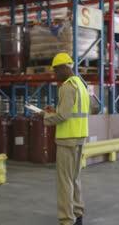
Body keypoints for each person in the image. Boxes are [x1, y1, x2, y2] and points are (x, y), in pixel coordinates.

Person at [41, 53, 90, 225]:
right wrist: (54, 111)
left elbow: (62, 117)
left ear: (64, 67)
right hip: (79, 137)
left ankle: (66, 219)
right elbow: (72, 112)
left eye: (56, 71)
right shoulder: (80, 85)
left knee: (64, 181)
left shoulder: (67, 87)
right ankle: (78, 213)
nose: (56, 75)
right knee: (75, 178)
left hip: (67, 139)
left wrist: (45, 115)